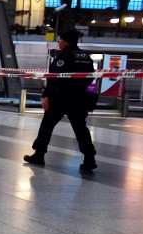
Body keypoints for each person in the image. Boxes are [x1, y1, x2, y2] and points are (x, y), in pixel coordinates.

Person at [24, 29, 98, 172]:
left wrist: (46, 96)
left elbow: (53, 77)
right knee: (80, 129)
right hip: (78, 98)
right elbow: (90, 77)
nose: (58, 42)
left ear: (66, 41)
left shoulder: (64, 56)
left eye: (60, 39)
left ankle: (39, 155)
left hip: (60, 98)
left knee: (47, 126)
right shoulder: (85, 57)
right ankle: (90, 159)